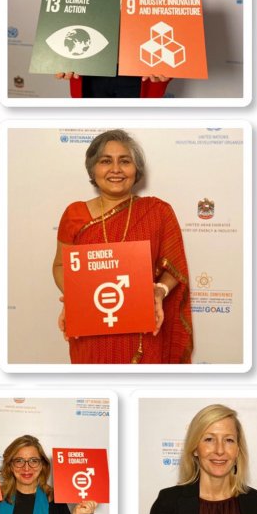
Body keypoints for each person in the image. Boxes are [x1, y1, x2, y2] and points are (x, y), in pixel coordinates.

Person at [52, 129, 192, 363]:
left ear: (136, 169)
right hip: (90, 329)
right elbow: (59, 265)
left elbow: (175, 267)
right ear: (93, 168)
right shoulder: (74, 214)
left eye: (124, 161)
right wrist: (77, 295)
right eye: (106, 161)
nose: (115, 169)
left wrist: (159, 291)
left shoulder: (158, 212)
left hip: (143, 329)